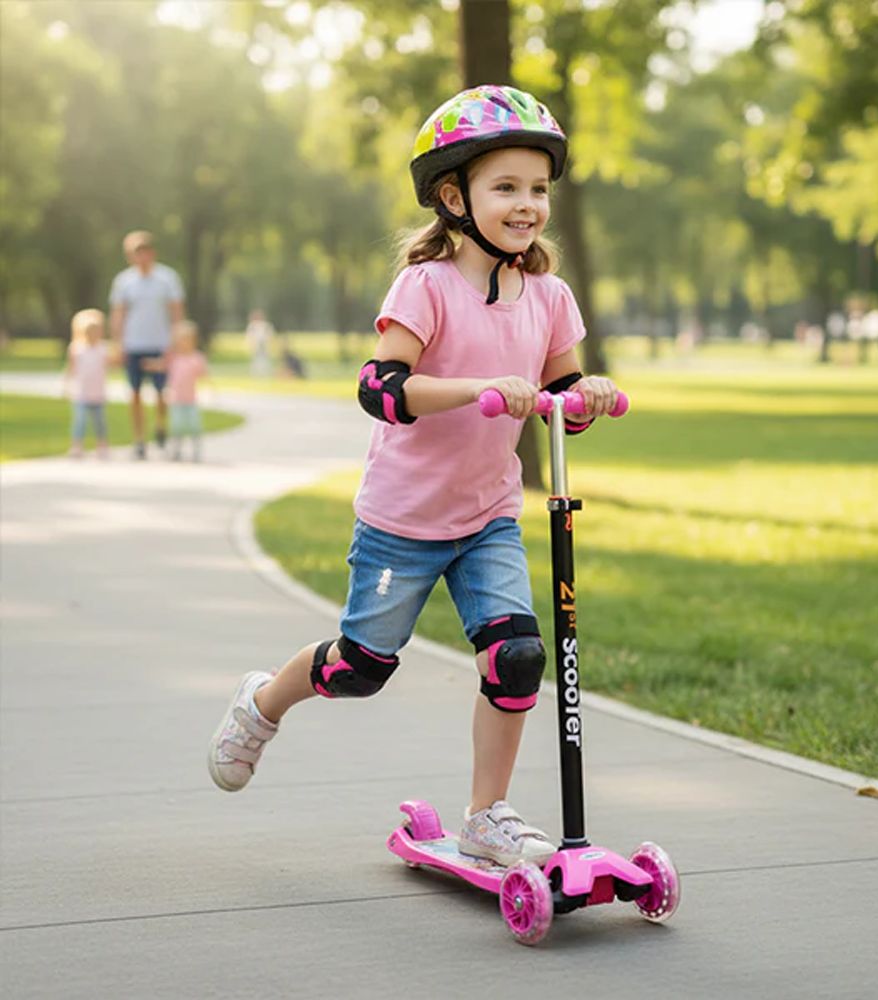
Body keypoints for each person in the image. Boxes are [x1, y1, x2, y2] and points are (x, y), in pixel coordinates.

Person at [207, 85, 620, 867]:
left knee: (516, 658)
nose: (527, 205)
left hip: (488, 516)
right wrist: (476, 388)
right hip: (403, 520)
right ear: (454, 197)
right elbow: (382, 388)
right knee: (361, 668)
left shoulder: (551, 297)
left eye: (538, 188)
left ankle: (486, 815)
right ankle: (262, 703)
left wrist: (586, 396)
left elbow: (562, 400)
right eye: (506, 187)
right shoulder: (426, 287)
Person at [108, 231, 185, 460]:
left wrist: (176, 343)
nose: (140, 258)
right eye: (135, 254)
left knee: (162, 392)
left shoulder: (167, 278)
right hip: (133, 344)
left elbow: (177, 313)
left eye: (144, 252)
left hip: (161, 344)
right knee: (134, 394)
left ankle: (160, 426)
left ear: (152, 253)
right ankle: (139, 440)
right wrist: (117, 344)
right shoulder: (124, 281)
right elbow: (118, 314)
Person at [63, 308, 111, 459]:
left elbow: (111, 364)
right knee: (80, 422)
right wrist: (66, 385)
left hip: (97, 393)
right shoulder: (77, 349)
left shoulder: (103, 349)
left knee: (100, 422)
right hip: (81, 393)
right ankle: (77, 446)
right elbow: (70, 369)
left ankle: (102, 445)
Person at [165, 320, 209, 462]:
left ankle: (197, 451)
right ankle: (176, 450)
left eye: (187, 340)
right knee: (176, 426)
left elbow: (204, 374)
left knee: (195, 426)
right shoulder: (174, 358)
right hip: (176, 400)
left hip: (191, 400)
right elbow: (163, 367)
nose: (183, 343)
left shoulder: (197, 358)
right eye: (180, 340)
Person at [244, 308, 275, 377]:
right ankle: (256, 373)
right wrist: (251, 345)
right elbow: (249, 337)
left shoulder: (266, 326)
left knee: (265, 360)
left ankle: (266, 373)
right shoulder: (252, 326)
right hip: (256, 346)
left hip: (264, 346)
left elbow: (269, 336)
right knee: (256, 360)